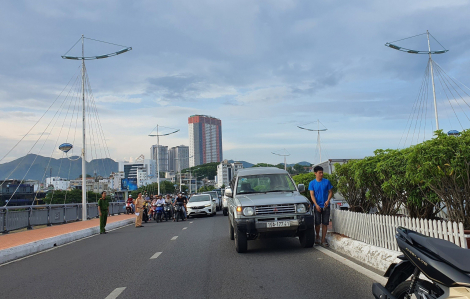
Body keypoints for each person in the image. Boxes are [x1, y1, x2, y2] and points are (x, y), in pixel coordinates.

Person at [308, 166, 333, 247]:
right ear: (315, 173)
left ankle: (323, 240)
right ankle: (317, 236)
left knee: (325, 223)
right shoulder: (312, 183)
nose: (321, 174)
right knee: (317, 223)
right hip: (317, 205)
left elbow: (330, 192)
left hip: (326, 205)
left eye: (322, 172)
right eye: (320, 173)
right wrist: (316, 204)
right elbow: (312, 195)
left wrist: (328, 200)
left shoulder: (327, 182)